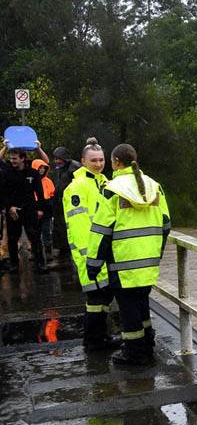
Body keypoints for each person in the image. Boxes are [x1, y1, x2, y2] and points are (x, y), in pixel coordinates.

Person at [86, 144, 170, 365]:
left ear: (115, 162)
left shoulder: (111, 189)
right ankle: (147, 344)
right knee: (142, 303)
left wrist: (93, 263)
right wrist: (156, 252)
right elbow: (166, 224)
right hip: (149, 260)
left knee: (128, 309)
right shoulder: (154, 186)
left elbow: (101, 231)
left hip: (123, 262)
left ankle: (134, 353)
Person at [65, 138, 120, 351]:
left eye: (101, 160)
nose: (98, 164)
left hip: (102, 253)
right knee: (96, 299)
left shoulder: (105, 182)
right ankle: (94, 341)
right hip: (89, 255)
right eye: (93, 160)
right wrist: (90, 256)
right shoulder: (77, 187)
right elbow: (79, 226)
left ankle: (99, 338)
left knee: (103, 299)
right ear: (83, 161)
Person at [0, 138, 51, 273]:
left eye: (15, 158)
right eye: (11, 158)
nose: (12, 161)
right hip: (13, 211)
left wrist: (40, 209)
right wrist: (5, 147)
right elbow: (4, 192)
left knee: (35, 238)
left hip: (30, 210)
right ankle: (14, 265)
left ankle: (40, 264)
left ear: (23, 159)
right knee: (12, 239)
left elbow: (39, 192)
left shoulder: (33, 173)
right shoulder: (7, 171)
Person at [50, 146, 81, 258]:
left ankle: (69, 249)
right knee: (59, 227)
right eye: (55, 158)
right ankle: (63, 249)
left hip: (71, 203)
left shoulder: (75, 167)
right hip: (59, 203)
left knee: (68, 227)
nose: (57, 161)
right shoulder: (60, 168)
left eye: (59, 158)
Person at [31, 159, 56, 255]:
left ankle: (48, 252)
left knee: (47, 232)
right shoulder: (30, 181)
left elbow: (52, 196)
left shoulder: (48, 181)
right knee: (34, 233)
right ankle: (35, 253)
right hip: (34, 209)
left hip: (46, 210)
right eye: (40, 167)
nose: (42, 170)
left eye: (43, 168)